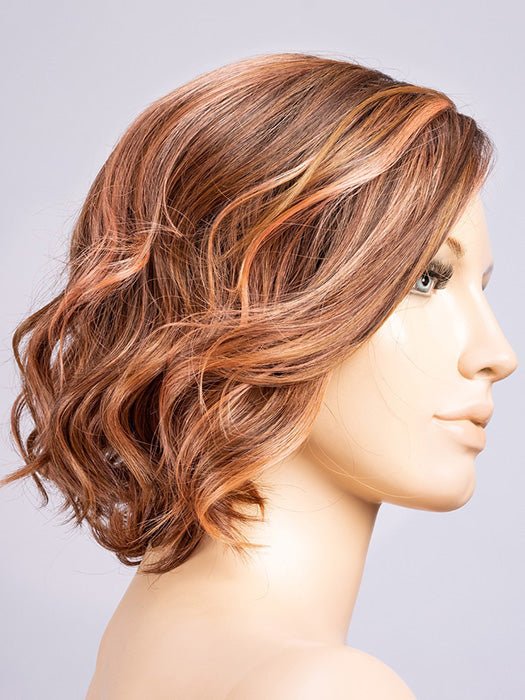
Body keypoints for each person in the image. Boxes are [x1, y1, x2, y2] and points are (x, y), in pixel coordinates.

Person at [2, 52, 518, 699]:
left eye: (479, 286)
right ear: (260, 298)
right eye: (425, 279)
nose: (497, 353)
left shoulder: (146, 635)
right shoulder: (324, 687)